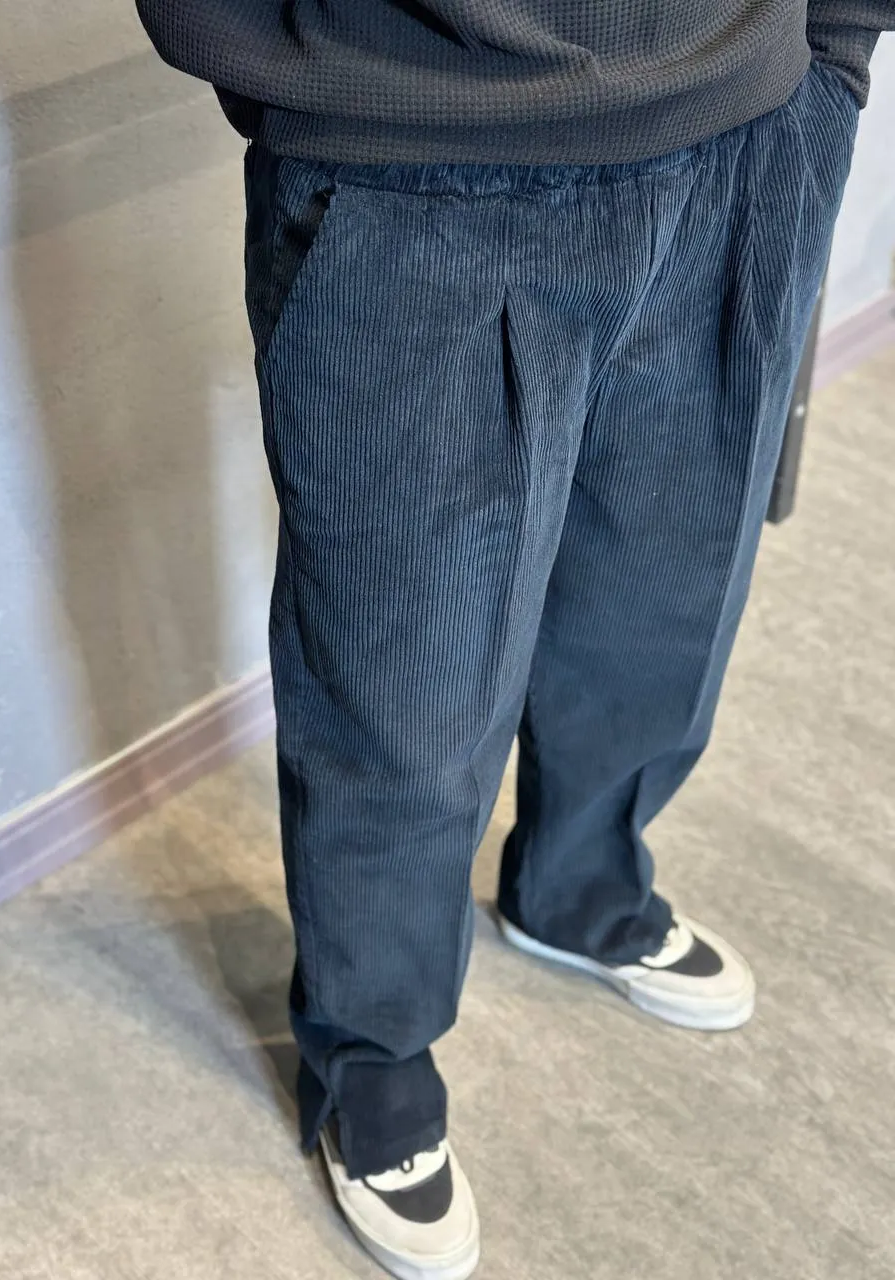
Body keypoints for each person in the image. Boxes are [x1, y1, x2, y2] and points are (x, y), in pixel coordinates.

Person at [135, 3, 891, 1276]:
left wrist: (838, 50)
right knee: (404, 687)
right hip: (417, 164)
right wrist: (322, 78)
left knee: (665, 602)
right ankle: (373, 1049)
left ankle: (580, 884)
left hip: (747, 123)